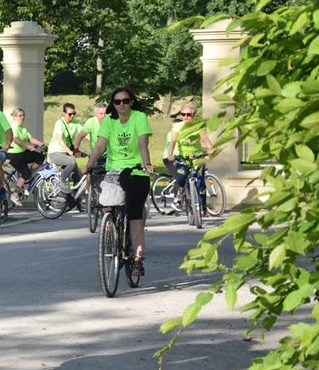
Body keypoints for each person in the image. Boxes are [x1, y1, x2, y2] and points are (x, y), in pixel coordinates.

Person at [83, 86, 154, 276]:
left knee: (135, 214)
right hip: (114, 169)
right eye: (117, 101)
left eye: (125, 100)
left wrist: (147, 164)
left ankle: (137, 258)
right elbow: (100, 144)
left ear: (131, 102)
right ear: (113, 104)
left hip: (137, 170)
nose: (121, 104)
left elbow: (142, 143)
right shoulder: (109, 120)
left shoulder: (139, 117)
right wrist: (90, 164)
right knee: (108, 202)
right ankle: (111, 233)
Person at [166, 104, 215, 213]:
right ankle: (180, 195)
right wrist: (170, 155)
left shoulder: (198, 126)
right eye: (183, 114)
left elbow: (204, 138)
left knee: (201, 182)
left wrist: (211, 148)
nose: (186, 117)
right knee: (182, 176)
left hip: (197, 156)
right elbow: (173, 141)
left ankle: (203, 208)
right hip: (183, 157)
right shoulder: (178, 127)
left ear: (194, 115)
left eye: (189, 114)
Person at [6, 108, 45, 205]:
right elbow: (15, 139)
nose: (22, 117)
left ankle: (27, 175)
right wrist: (27, 146)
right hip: (13, 154)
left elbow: (30, 138)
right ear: (15, 117)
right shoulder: (13, 127)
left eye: (23, 115)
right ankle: (14, 194)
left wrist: (42, 144)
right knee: (25, 173)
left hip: (22, 153)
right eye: (20, 115)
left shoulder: (23, 127)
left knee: (40, 157)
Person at [47, 102, 82, 198]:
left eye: (74, 114)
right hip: (55, 153)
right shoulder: (59, 123)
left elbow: (84, 135)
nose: (72, 116)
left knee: (79, 172)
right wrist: (71, 152)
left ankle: (75, 196)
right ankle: (62, 182)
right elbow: (60, 140)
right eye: (70, 114)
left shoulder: (76, 123)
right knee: (72, 162)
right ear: (64, 113)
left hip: (65, 153)